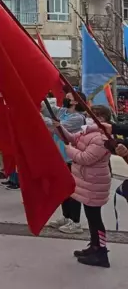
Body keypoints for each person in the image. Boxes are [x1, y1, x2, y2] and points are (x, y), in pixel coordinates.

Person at [54, 105, 113, 268]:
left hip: (95, 183)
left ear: (101, 119)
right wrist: (58, 128)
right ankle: (94, 246)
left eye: (91, 115)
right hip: (87, 183)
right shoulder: (88, 131)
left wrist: (69, 151)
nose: (87, 117)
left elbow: (86, 158)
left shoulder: (103, 138)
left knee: (95, 219)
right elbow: (73, 138)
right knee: (91, 218)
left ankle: (101, 253)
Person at [43, 91, 87, 234]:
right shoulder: (63, 111)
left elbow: (58, 127)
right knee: (63, 189)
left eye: (68, 98)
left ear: (75, 102)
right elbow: (45, 107)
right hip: (60, 157)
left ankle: (75, 222)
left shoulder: (78, 118)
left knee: (73, 191)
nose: (65, 99)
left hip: (71, 159)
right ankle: (66, 216)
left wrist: (40, 118)